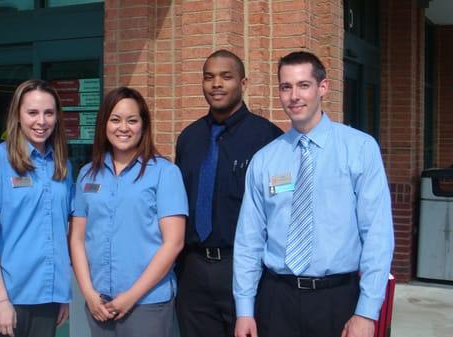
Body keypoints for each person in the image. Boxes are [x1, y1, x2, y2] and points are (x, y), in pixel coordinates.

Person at [233, 51, 395, 337]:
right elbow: (249, 240)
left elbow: (377, 235)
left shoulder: (359, 149)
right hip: (277, 299)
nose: (294, 96)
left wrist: (366, 312)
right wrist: (245, 309)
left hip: (338, 301)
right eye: (286, 87)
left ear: (323, 88)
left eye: (303, 85)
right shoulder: (265, 160)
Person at [175, 49, 283, 337]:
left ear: (243, 83)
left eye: (226, 76)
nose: (216, 84)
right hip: (193, 270)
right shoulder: (189, 138)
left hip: (245, 270)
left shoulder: (269, 139)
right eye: (209, 77)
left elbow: (281, 210)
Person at [70, 86, 188, 337]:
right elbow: (78, 238)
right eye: (115, 119)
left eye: (132, 120)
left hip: (147, 303)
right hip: (99, 303)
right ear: (103, 124)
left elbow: (174, 243)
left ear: (143, 126)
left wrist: (131, 296)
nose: (123, 127)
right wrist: (89, 294)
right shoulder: (87, 174)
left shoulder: (164, 173)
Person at [0, 79, 72, 337]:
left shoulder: (62, 165)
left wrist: (62, 293)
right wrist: (0, 300)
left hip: (49, 296)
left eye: (48, 113)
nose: (41, 121)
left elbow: (62, 230)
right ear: (17, 115)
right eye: (32, 112)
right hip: (10, 295)